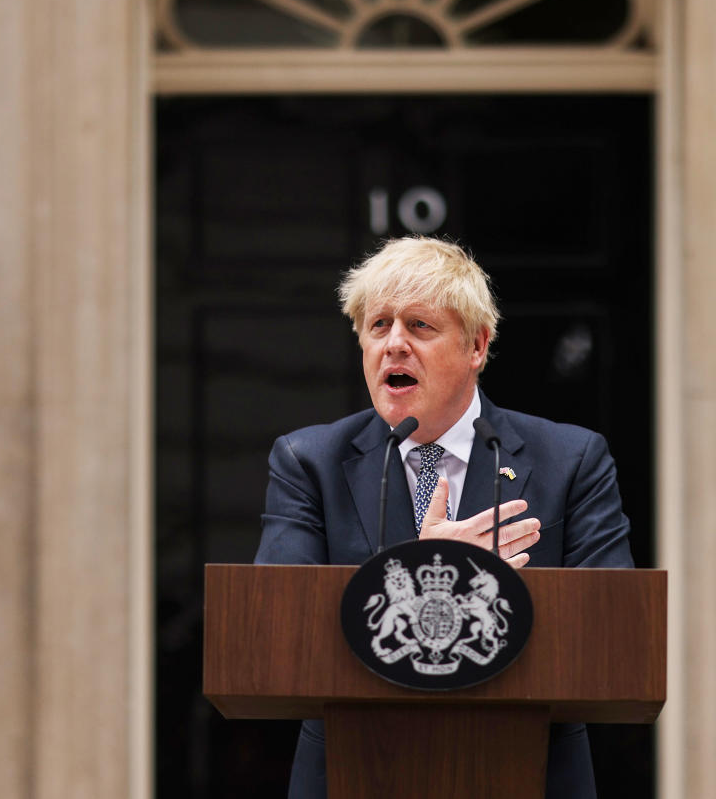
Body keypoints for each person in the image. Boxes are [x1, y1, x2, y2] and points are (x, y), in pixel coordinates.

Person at [255, 236, 634, 799]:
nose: (395, 346)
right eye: (378, 326)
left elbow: (614, 635)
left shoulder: (570, 460)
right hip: (358, 773)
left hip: (524, 771)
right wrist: (434, 567)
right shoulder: (308, 462)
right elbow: (278, 636)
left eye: (420, 327)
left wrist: (475, 589)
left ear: (478, 345)